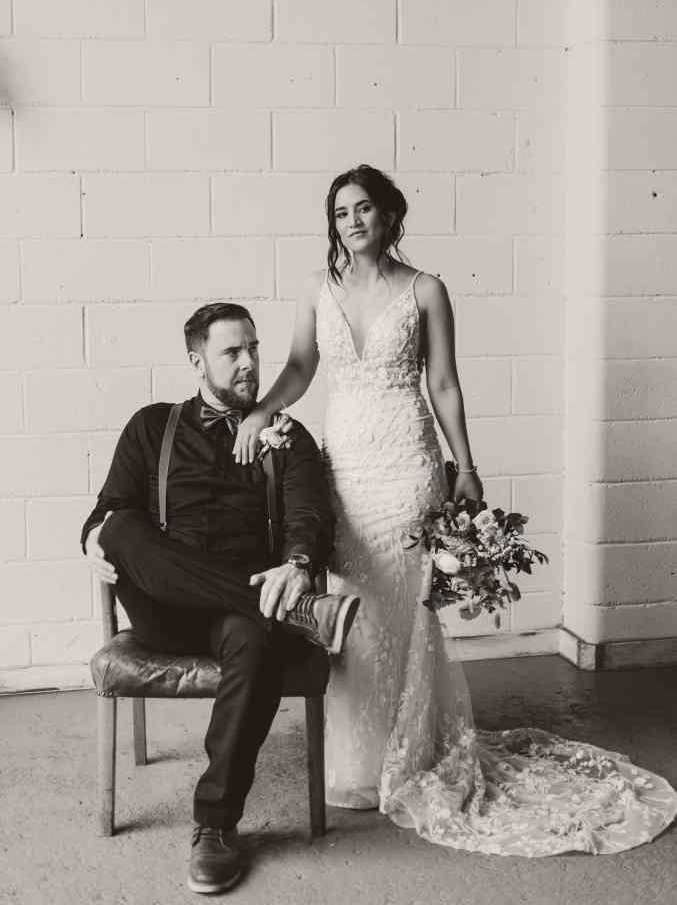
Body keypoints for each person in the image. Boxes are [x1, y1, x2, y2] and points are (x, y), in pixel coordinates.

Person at [233, 164, 677, 856]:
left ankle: (413, 749)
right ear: (333, 223)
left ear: (389, 217)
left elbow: (442, 382)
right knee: (353, 607)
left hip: (406, 465)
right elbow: (297, 367)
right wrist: (263, 409)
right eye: (341, 211)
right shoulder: (318, 291)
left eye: (365, 209)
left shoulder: (425, 290)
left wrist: (464, 465)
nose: (352, 221)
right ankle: (357, 759)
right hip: (343, 467)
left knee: (404, 608)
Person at [82, 302, 359, 895]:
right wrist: (92, 541)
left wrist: (300, 563)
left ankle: (215, 826)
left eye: (254, 349)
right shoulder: (151, 426)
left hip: (244, 612)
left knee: (254, 637)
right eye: (233, 352)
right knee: (120, 527)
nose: (250, 363)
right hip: (166, 609)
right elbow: (105, 511)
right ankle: (304, 613)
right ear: (197, 361)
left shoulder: (286, 436)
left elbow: (311, 516)